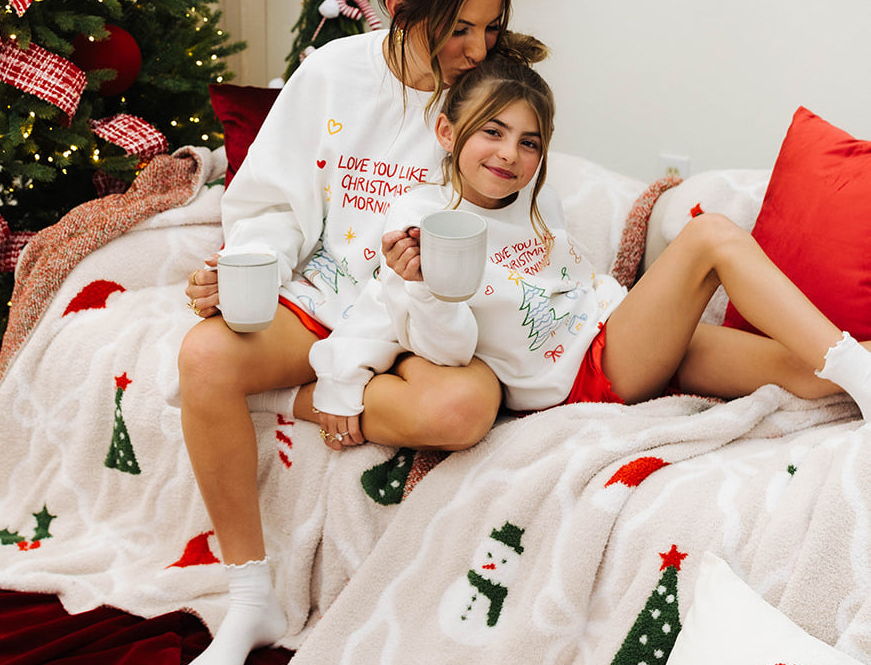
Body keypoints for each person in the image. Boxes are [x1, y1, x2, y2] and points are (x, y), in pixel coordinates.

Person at [177, 0, 548, 665]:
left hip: (418, 325)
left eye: (490, 27)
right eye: (457, 29)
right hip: (320, 305)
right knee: (204, 357)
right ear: (395, 10)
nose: (476, 50)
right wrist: (249, 275)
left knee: (458, 411)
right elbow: (273, 203)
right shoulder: (333, 76)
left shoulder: (492, 99)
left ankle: (282, 401)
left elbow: (521, 217)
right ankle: (249, 598)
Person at [311, 36, 871, 431]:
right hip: (592, 368)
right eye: (493, 132)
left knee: (811, 371)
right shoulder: (420, 223)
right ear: (447, 131)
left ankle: (862, 373)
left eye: (530, 142)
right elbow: (437, 345)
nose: (510, 154)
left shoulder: (533, 198)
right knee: (711, 237)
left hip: (627, 331)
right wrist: (420, 295)